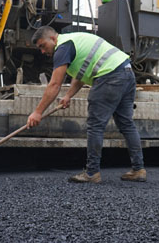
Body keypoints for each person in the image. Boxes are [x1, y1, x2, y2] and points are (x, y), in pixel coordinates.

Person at [27, 26, 146, 183]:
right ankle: (138, 169)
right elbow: (82, 74)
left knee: (95, 125)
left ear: (53, 39)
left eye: (43, 46)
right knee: (126, 124)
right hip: (126, 73)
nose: (42, 51)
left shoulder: (63, 48)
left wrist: (37, 112)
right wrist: (68, 95)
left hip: (109, 76)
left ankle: (92, 173)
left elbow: (54, 84)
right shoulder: (74, 42)